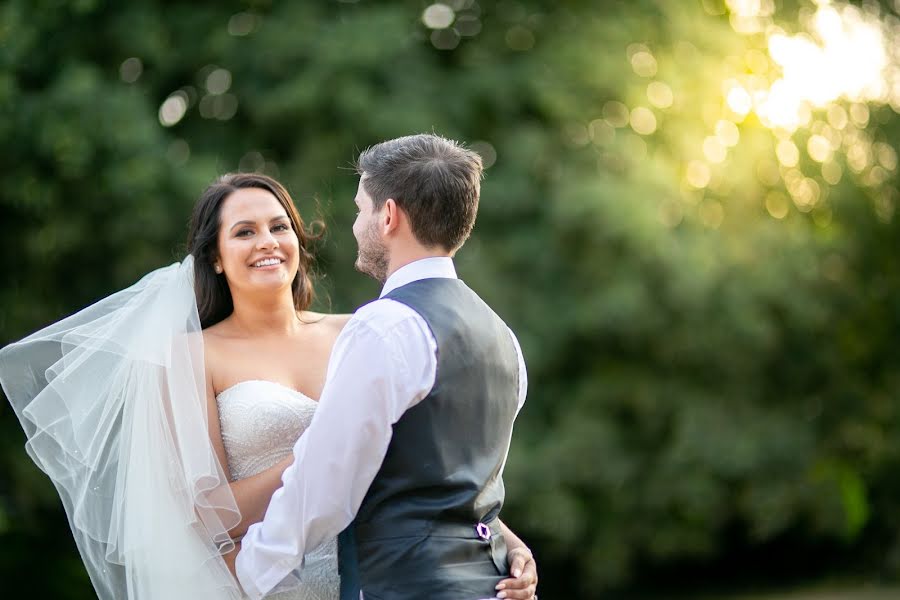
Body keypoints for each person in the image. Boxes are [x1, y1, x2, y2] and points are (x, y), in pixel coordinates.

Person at [0, 170, 537, 600]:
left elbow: (422, 463)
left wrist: (500, 539)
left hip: (382, 573)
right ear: (213, 255)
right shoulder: (190, 357)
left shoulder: (365, 329)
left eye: (279, 226)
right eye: (244, 231)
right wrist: (320, 449)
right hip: (268, 582)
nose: (268, 243)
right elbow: (207, 515)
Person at [234, 134, 536, 600]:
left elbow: (324, 485)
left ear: (389, 216)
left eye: (361, 210)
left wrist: (251, 572)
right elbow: (462, 486)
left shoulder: (385, 327)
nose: (356, 225)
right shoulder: (503, 338)